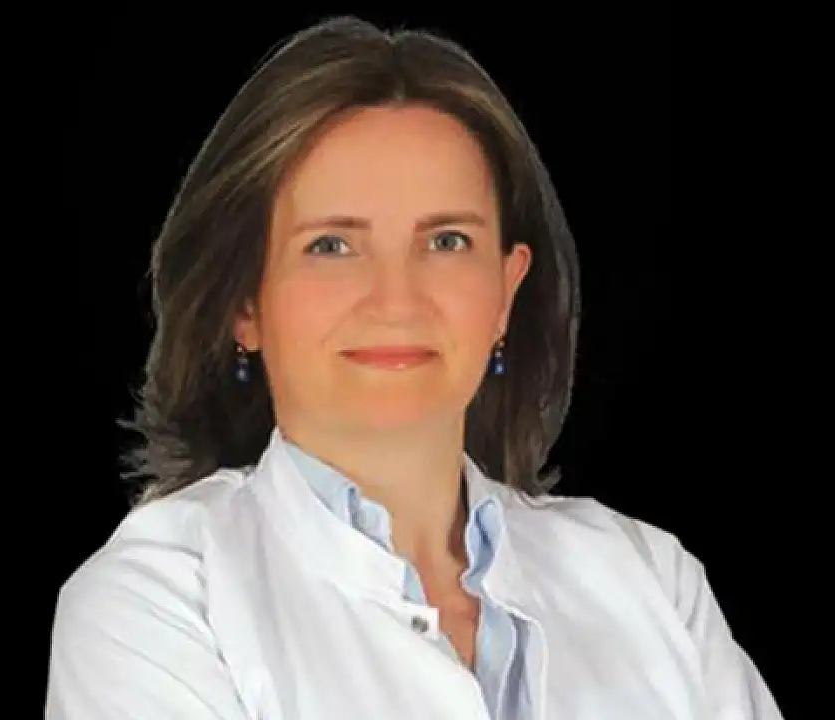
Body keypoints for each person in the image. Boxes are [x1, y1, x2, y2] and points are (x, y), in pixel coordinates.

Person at [44, 15, 782, 720]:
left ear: (506, 292)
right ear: (244, 303)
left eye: (447, 241)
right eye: (332, 246)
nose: (396, 300)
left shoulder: (653, 580)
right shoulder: (156, 603)